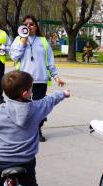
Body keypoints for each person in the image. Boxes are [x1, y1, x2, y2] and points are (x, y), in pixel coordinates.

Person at [10, 14, 65, 142]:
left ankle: (37, 130)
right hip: (24, 80)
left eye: (31, 24)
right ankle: (23, 130)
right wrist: (23, 42)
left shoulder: (43, 41)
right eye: (25, 24)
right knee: (23, 107)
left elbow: (50, 61)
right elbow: (14, 57)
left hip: (41, 80)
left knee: (39, 107)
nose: (28, 26)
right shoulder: (18, 39)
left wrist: (56, 77)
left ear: (36, 26)